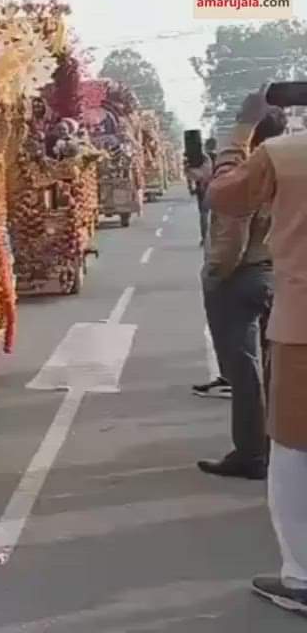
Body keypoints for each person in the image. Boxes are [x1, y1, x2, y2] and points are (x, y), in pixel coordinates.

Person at [208, 87, 307, 616]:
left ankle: (301, 577)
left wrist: (242, 130)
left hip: (302, 331)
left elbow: (223, 195)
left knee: (294, 453)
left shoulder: (287, 155)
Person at [197, 109, 286, 481]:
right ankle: (280, 449)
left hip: (241, 275)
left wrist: (215, 275)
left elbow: (231, 236)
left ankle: (251, 453)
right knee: (275, 368)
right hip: (275, 273)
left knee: (243, 370)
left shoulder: (247, 173)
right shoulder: (288, 167)